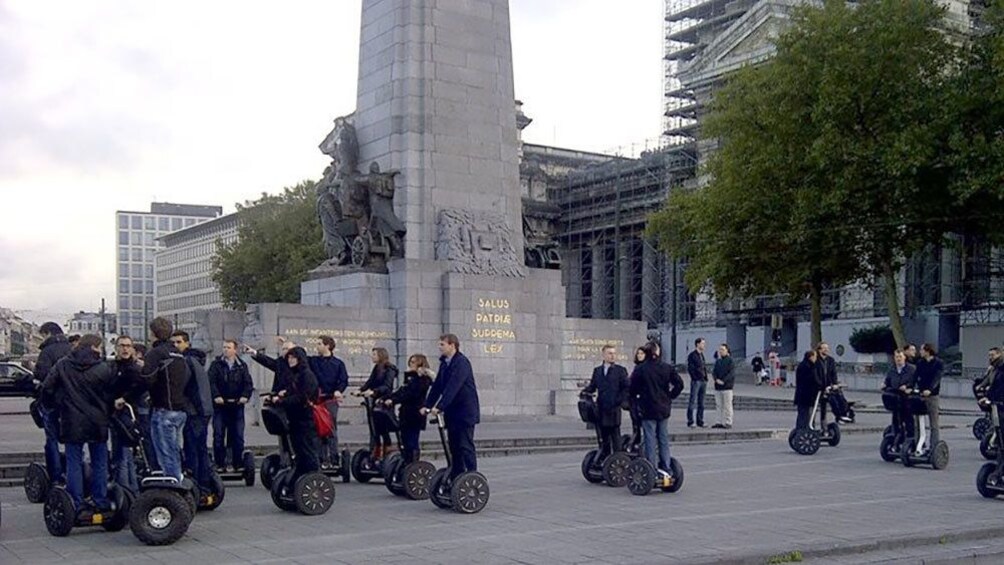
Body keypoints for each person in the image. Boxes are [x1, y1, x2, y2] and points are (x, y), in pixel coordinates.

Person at [39, 335, 119, 513]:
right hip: (98, 420)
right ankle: (100, 499)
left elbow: (47, 388)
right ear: (93, 347)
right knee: (100, 461)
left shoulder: (63, 364)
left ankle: (75, 501)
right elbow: (112, 393)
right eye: (99, 347)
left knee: (74, 461)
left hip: (71, 420)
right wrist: (107, 410)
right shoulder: (104, 367)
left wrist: (56, 405)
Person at [139, 318, 192, 482]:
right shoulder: (179, 355)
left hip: (163, 409)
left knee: (165, 453)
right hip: (179, 408)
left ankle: (173, 489)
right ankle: (178, 480)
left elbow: (147, 378)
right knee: (174, 450)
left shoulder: (156, 353)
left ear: (153, 333)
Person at [422, 334, 480, 480]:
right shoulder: (445, 363)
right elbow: (437, 387)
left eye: (442, 344)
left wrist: (440, 406)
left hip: (465, 412)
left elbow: (453, 387)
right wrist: (427, 405)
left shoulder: (462, 363)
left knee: (465, 445)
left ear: (452, 345)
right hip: (452, 413)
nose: (439, 347)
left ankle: (471, 476)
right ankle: (457, 475)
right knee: (453, 446)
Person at [629, 342, 684, 474]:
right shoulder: (666, 367)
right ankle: (666, 466)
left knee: (650, 438)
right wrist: (670, 396)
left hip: (648, 408)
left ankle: (651, 467)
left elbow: (632, 388)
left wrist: (637, 398)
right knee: (663, 437)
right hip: (663, 407)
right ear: (657, 353)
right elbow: (679, 384)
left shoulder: (641, 369)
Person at [170, 331, 214, 490]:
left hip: (195, 411)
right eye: (173, 342)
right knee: (200, 448)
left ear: (187, 343)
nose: (175, 345)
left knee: (193, 449)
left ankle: (197, 484)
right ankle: (204, 483)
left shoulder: (186, 361)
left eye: (178, 342)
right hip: (202, 409)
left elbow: (181, 386)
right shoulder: (196, 360)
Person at [270, 346, 320, 482]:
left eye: (293, 357)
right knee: (298, 451)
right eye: (289, 357)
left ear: (300, 359)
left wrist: (282, 401)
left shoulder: (307, 375)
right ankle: (298, 477)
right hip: (294, 419)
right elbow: (292, 391)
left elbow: (302, 397)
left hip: (305, 419)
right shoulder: (295, 374)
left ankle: (314, 477)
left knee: (307, 450)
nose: (290, 360)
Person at [34, 321, 73, 487]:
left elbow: (41, 375)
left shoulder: (46, 352)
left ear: (48, 333)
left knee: (52, 440)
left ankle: (56, 476)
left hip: (51, 402)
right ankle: (72, 474)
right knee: (72, 441)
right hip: (71, 403)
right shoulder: (71, 349)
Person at [209, 339, 253, 473]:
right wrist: (216, 395)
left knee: (238, 436)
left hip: (236, 405)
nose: (225, 349)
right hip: (220, 406)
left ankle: (237, 463)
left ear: (235, 350)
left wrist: (245, 396)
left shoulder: (241, 366)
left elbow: (248, 383)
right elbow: (211, 382)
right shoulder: (216, 365)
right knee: (218, 435)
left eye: (228, 347)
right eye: (224, 347)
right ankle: (219, 464)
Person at [385, 354, 434, 465]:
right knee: (404, 440)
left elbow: (411, 394)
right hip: (405, 413)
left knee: (412, 440)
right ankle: (406, 461)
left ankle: (413, 463)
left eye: (413, 362)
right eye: (410, 362)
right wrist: (388, 398)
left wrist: (394, 401)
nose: (410, 364)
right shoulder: (410, 377)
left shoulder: (423, 379)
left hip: (415, 413)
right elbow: (401, 391)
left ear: (420, 364)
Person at [582, 345, 630, 459]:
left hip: (614, 409)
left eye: (614, 353)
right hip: (601, 409)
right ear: (603, 355)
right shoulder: (598, 371)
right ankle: (604, 459)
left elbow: (626, 388)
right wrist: (584, 392)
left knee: (615, 437)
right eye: (609, 353)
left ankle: (618, 460)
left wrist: (619, 400)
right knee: (603, 438)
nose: (612, 356)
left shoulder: (620, 370)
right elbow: (593, 386)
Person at [308, 336, 349, 468]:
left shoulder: (338, 364)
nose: (317, 346)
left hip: (330, 399)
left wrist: (338, 390)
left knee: (330, 428)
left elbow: (343, 380)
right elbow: (301, 357)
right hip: (317, 400)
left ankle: (334, 458)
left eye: (319, 344)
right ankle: (320, 458)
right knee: (317, 429)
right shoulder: (313, 361)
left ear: (327, 346)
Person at [110, 335, 144, 492]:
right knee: (121, 454)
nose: (125, 348)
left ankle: (126, 490)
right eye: (122, 345)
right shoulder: (112, 367)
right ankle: (127, 488)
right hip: (114, 415)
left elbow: (139, 388)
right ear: (116, 348)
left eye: (128, 346)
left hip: (129, 415)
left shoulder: (135, 368)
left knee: (125, 454)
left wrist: (124, 398)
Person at [360, 347, 399, 459]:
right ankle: (376, 449)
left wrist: (374, 391)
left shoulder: (390, 369)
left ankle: (387, 448)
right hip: (373, 401)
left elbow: (387, 386)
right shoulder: (377, 368)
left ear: (381, 355)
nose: (372, 356)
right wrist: (361, 390)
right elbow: (370, 382)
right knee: (375, 428)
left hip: (384, 401)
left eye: (374, 354)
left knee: (383, 427)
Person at [882, 349, 917, 439]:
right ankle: (896, 435)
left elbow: (915, 382)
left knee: (908, 419)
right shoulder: (892, 369)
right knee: (896, 419)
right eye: (897, 357)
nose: (898, 359)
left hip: (907, 399)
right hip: (895, 399)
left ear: (904, 357)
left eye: (900, 357)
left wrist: (908, 386)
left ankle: (911, 437)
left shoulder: (911, 369)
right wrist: (885, 384)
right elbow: (888, 380)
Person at [916, 343, 943, 446]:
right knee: (918, 422)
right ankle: (918, 443)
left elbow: (937, 377)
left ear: (927, 351)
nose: (920, 352)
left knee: (934, 423)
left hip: (932, 396)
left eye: (922, 350)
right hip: (921, 394)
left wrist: (930, 390)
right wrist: (910, 386)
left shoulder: (938, 363)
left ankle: (934, 445)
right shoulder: (920, 363)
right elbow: (915, 376)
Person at [793, 350, 821, 429]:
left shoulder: (805, 365)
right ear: (811, 357)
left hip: (805, 395)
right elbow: (812, 379)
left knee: (805, 414)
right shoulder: (807, 367)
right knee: (805, 415)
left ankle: (804, 429)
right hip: (806, 396)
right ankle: (804, 430)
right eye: (815, 356)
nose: (816, 358)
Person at [686, 338, 708, 429]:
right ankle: (690, 421)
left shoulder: (702, 355)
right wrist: (694, 378)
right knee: (693, 401)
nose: (704, 345)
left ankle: (700, 420)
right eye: (702, 343)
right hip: (696, 381)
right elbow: (691, 368)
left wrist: (706, 378)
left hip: (703, 381)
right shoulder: (692, 355)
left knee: (701, 402)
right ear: (697, 344)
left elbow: (704, 367)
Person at [711, 344, 735, 429]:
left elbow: (731, 374)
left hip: (727, 387)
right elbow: (714, 372)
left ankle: (728, 422)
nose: (721, 351)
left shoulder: (730, 361)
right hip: (718, 387)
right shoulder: (718, 361)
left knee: (727, 405)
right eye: (720, 350)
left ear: (727, 351)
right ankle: (719, 421)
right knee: (719, 405)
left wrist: (723, 381)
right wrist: (716, 379)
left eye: (723, 350)